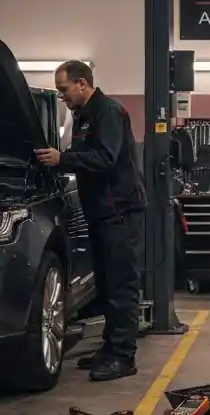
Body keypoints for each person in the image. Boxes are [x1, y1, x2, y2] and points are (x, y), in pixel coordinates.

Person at [34, 60, 147, 383]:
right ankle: (111, 348)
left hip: (120, 212)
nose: (62, 97)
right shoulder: (83, 115)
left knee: (121, 286)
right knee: (107, 284)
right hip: (100, 212)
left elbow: (106, 158)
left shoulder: (107, 111)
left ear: (82, 84)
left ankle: (124, 356)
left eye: (64, 90)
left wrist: (62, 160)